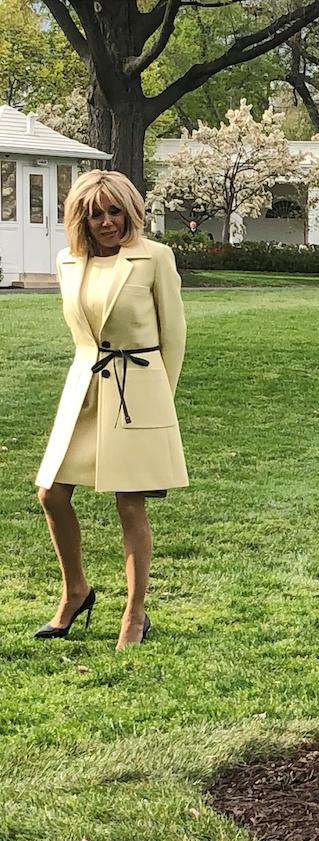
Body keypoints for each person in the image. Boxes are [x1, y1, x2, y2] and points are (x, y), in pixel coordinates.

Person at [33, 170, 188, 650]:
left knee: (129, 502)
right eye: (95, 213)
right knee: (51, 493)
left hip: (139, 390)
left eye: (114, 210)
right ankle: (76, 590)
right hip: (83, 390)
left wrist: (161, 402)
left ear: (130, 211)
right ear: (80, 217)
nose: (106, 222)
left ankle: (135, 614)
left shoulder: (155, 258)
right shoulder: (68, 262)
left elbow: (174, 336)